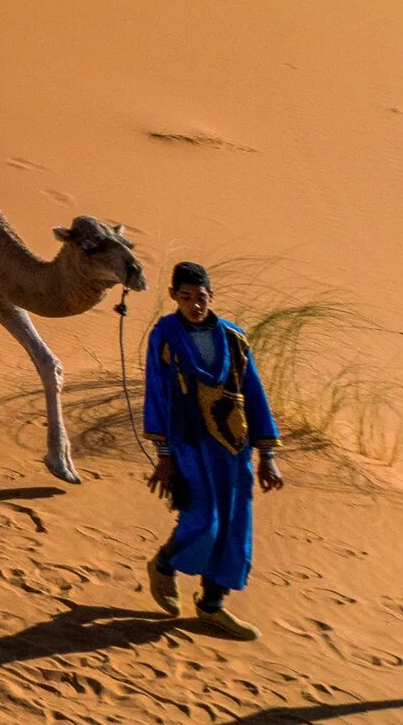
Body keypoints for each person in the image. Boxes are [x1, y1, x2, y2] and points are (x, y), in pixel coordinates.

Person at [143, 261, 284, 640]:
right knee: (204, 518)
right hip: (189, 444)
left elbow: (253, 393)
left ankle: (212, 605)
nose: (194, 305)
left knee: (236, 526)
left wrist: (267, 454)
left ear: (211, 297)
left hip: (233, 447)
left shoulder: (234, 338)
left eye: (200, 297)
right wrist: (164, 455)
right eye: (185, 297)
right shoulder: (165, 336)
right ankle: (164, 565)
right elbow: (156, 392)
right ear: (173, 296)